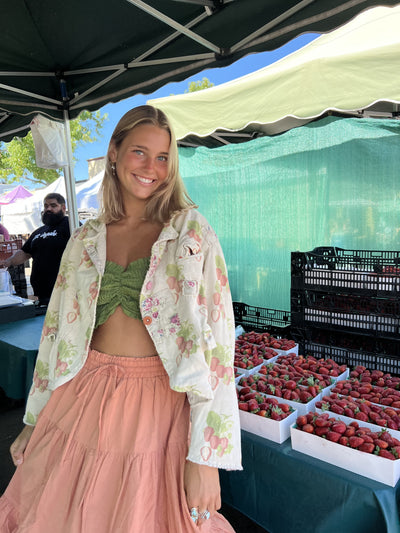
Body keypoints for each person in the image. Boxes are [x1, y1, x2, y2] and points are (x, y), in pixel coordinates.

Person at [0, 105, 242, 532]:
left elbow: (219, 346)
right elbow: (56, 333)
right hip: (83, 394)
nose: (152, 167)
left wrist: (206, 458)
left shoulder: (191, 231)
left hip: (160, 406)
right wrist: (34, 419)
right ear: (113, 152)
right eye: (139, 152)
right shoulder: (86, 237)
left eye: (163, 157)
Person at [0, 193, 70, 306]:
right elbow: (24, 252)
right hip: (42, 295)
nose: (48, 209)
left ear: (63, 208)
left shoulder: (71, 226)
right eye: (46, 206)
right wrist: (8, 262)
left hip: (65, 293)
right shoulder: (39, 231)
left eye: (53, 206)